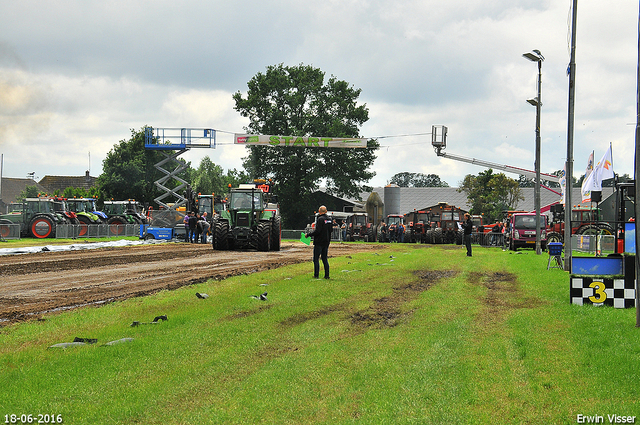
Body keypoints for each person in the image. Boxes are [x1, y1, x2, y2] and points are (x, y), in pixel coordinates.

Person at [306, 205, 333, 279]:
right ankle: (327, 275)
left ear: (319, 211)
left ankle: (316, 275)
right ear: (326, 211)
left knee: (316, 259)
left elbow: (317, 231)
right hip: (326, 241)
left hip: (319, 242)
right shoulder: (330, 219)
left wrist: (308, 234)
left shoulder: (320, 219)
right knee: (324, 259)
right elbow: (331, 230)